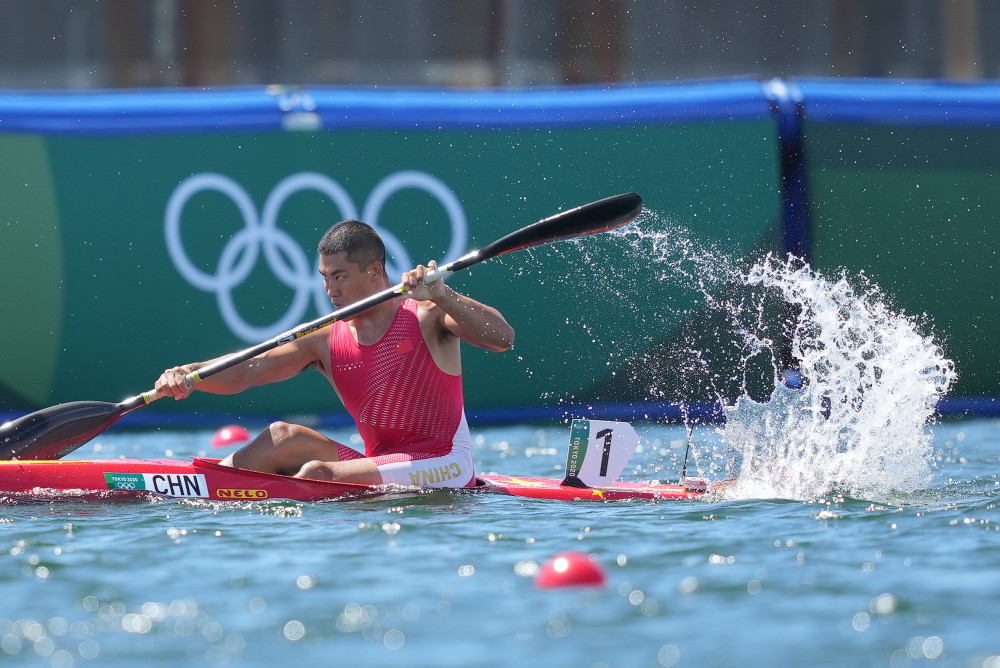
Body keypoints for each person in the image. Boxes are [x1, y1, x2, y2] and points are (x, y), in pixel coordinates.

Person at [155, 219, 515, 488]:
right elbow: (249, 368)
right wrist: (190, 375)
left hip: (447, 463)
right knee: (283, 437)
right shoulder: (324, 337)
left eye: (339, 276)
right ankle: (202, 489)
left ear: (375, 271)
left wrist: (442, 293)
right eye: (324, 277)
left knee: (318, 475)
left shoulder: (427, 314)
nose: (329, 289)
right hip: (383, 464)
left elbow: (502, 338)